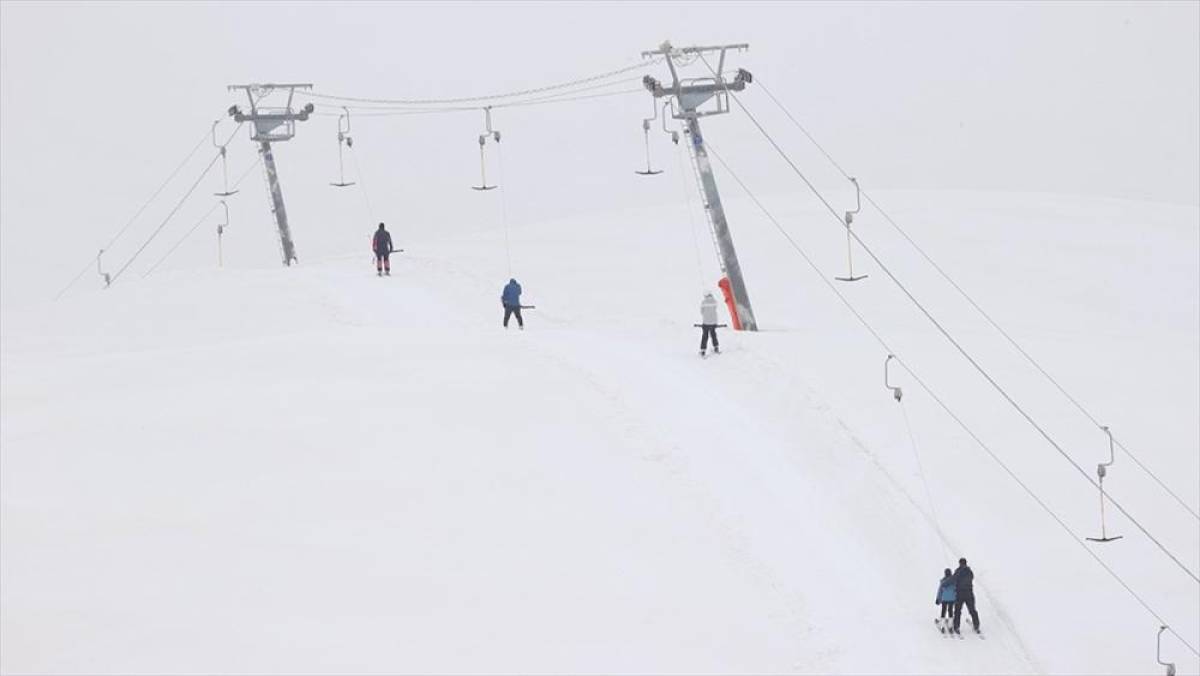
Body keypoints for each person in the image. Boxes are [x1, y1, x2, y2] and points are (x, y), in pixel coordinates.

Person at [952, 557, 980, 634]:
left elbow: (954, 580)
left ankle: (956, 626)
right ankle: (976, 625)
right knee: (972, 610)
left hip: (960, 594)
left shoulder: (958, 571)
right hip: (969, 594)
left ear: (960, 563)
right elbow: (972, 578)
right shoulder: (969, 571)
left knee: (957, 611)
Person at [699, 292, 720, 357]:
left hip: (706, 322)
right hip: (714, 321)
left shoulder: (703, 302)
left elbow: (702, 312)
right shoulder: (715, 301)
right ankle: (716, 347)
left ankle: (703, 350)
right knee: (713, 334)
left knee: (705, 336)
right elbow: (715, 309)